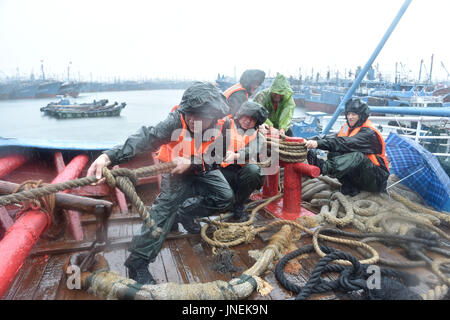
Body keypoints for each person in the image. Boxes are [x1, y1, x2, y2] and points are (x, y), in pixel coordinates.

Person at [86, 82, 234, 285]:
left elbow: (217, 157)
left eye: (198, 115)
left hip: (201, 166)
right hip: (174, 170)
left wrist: (192, 162)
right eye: (188, 113)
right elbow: (148, 136)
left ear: (213, 116)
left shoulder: (225, 125)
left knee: (225, 197)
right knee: (164, 210)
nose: (191, 119)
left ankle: (185, 212)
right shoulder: (176, 120)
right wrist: (109, 156)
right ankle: (137, 262)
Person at [304, 98, 390, 196]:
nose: (350, 117)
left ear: (361, 116)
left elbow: (345, 143)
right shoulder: (348, 128)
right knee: (334, 153)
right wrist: (308, 140)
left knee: (357, 157)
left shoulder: (369, 133)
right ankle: (350, 186)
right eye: (348, 114)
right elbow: (330, 138)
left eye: (354, 114)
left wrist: (318, 144)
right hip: (361, 177)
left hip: (377, 179)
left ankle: (322, 167)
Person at [220, 100, 269, 221]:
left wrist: (235, 156)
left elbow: (252, 149)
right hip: (218, 169)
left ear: (257, 122)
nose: (248, 121)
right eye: (246, 116)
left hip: (239, 172)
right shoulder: (225, 124)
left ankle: (238, 205)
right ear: (240, 115)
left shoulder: (257, 136)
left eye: (252, 119)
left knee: (254, 171)